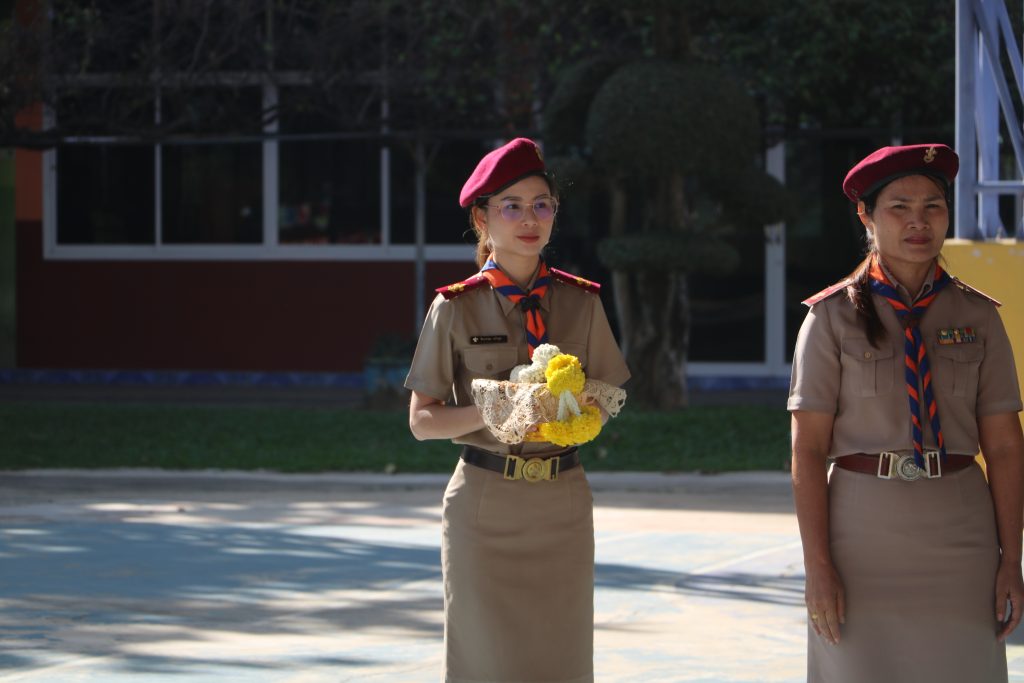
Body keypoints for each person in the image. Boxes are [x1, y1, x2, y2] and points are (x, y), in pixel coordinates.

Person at [788, 143, 1024, 682]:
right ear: (866, 215)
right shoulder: (831, 318)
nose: (919, 221)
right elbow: (808, 449)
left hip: (961, 532)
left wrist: (1011, 560)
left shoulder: (979, 316)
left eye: (933, 206)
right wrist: (818, 568)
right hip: (860, 536)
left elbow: (1006, 446)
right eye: (900, 207)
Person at [405, 137, 630, 683]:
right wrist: (498, 408)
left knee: (562, 660)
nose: (530, 219)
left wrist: (579, 414)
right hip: (486, 505)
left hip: (562, 501)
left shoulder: (582, 301)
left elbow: (606, 395)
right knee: (485, 662)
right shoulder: (455, 306)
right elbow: (422, 420)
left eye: (541, 205)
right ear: (482, 218)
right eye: (512, 206)